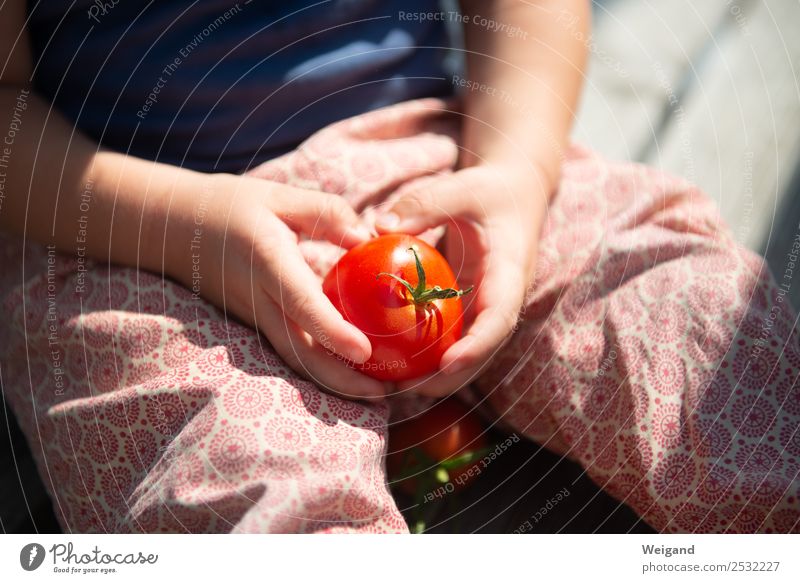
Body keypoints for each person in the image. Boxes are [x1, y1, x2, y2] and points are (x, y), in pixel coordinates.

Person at [1, 0, 797, 533]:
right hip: (129, 236)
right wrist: (188, 231)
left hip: (439, 169)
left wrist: (515, 168)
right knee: (242, 477)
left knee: (690, 328)